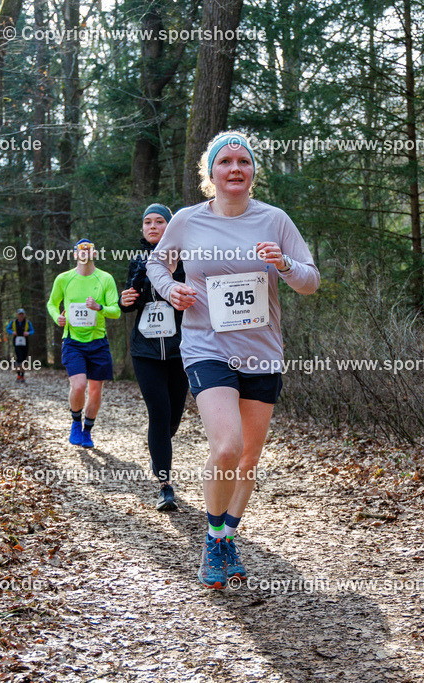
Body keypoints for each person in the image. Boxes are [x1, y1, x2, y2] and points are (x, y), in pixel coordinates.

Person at [146, 131, 320, 588]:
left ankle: (226, 537)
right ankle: (210, 539)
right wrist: (171, 289)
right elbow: (156, 265)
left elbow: (311, 280)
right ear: (211, 173)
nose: (235, 168)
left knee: (247, 457)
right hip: (207, 346)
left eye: (243, 161)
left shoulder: (275, 220)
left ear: (253, 171)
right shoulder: (186, 220)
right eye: (225, 161)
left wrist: (283, 264)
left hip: (262, 353)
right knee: (226, 446)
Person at [120, 203, 189, 512]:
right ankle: (165, 485)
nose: (152, 226)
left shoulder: (186, 258)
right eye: (147, 222)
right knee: (159, 413)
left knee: (174, 415)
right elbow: (127, 303)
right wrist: (125, 299)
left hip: (181, 349)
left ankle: (158, 446)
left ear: (170, 226)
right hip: (145, 350)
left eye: (159, 221)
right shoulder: (137, 260)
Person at [47, 239, 120, 448]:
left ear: (94, 254)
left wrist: (99, 307)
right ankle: (75, 422)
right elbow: (52, 303)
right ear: (74, 254)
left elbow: (116, 311)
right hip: (73, 341)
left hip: (98, 342)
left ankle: (87, 431)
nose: (85, 252)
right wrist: (57, 318)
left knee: (96, 391)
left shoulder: (105, 278)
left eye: (89, 249)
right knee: (78, 386)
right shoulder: (64, 278)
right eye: (81, 249)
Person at [5, 308, 34, 382]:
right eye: (19, 314)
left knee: (24, 359)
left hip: (25, 342)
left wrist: (28, 333)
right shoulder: (13, 322)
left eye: (22, 314)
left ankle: (22, 376)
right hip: (16, 341)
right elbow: (8, 329)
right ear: (17, 315)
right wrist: (12, 332)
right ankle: (18, 374)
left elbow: (32, 330)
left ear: (24, 315)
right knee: (19, 358)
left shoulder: (27, 322)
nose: (21, 316)